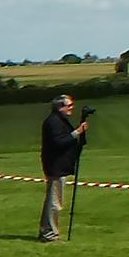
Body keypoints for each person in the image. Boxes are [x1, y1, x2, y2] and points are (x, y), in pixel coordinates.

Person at [38, 94, 88, 242]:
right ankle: (49, 234)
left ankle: (48, 231)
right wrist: (77, 132)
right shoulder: (53, 122)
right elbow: (58, 143)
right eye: (69, 105)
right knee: (54, 202)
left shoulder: (60, 120)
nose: (71, 108)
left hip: (60, 165)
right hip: (55, 166)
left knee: (54, 200)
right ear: (60, 107)